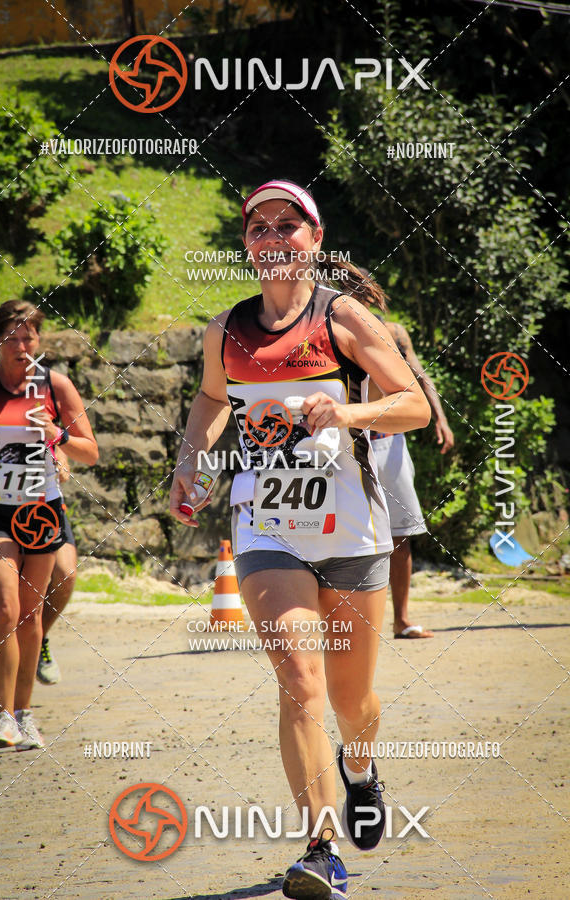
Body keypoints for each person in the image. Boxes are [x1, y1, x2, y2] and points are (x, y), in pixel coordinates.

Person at [169, 181, 431, 899]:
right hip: (267, 526)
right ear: (247, 243)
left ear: (315, 239)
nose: (275, 234)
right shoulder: (227, 329)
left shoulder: (341, 317)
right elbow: (212, 400)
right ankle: (320, 845)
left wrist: (348, 414)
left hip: (351, 530)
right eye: (260, 226)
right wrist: (191, 461)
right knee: (299, 682)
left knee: (354, 702)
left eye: (290, 223)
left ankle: (362, 768)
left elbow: (409, 402)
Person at [0, 301, 98, 750]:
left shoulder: (55, 386)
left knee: (29, 613)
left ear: (39, 341)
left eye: (29, 338)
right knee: (3, 608)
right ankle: (3, 717)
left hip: (40, 511)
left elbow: (90, 451)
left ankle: (24, 716)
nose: (21, 347)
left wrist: (57, 436)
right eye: (11, 338)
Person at [0, 339, 77, 684]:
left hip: (37, 500)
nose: (22, 345)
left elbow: (56, 431)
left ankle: (36, 638)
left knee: (65, 573)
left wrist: (60, 454)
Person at [356, 276, 455, 638]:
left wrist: (440, 419)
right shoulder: (328, 331)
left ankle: (402, 620)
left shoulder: (393, 333)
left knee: (400, 533)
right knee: (342, 533)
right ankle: (344, 624)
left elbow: (419, 374)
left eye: (363, 296)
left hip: (390, 441)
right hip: (351, 442)